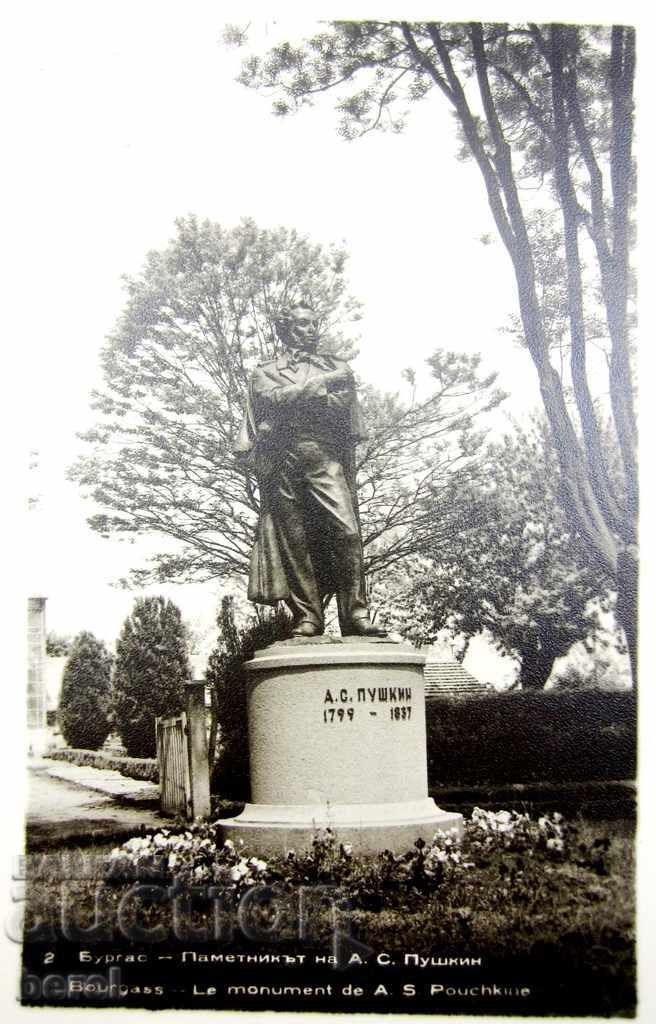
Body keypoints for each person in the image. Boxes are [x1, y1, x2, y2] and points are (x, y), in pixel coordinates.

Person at [235, 303, 386, 638]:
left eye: (314, 324)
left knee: (347, 533)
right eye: (302, 324)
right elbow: (268, 400)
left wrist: (295, 399)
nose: (311, 330)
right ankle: (309, 617)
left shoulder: (337, 366)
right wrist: (321, 387)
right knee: (295, 543)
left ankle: (356, 615)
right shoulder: (265, 371)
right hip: (284, 462)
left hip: (324, 457)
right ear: (285, 330)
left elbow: (338, 406)